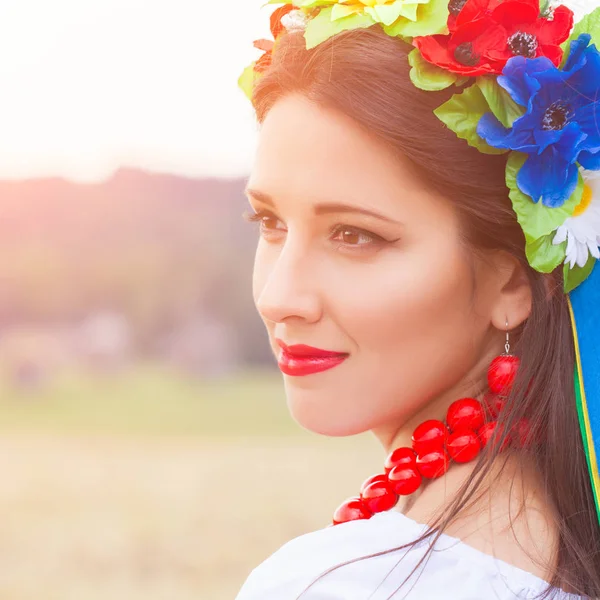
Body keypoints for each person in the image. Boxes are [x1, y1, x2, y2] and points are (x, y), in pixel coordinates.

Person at [234, 0, 600, 597]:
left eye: (355, 235)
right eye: (269, 223)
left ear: (511, 284)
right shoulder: (569, 549)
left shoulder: (332, 585)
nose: (280, 297)